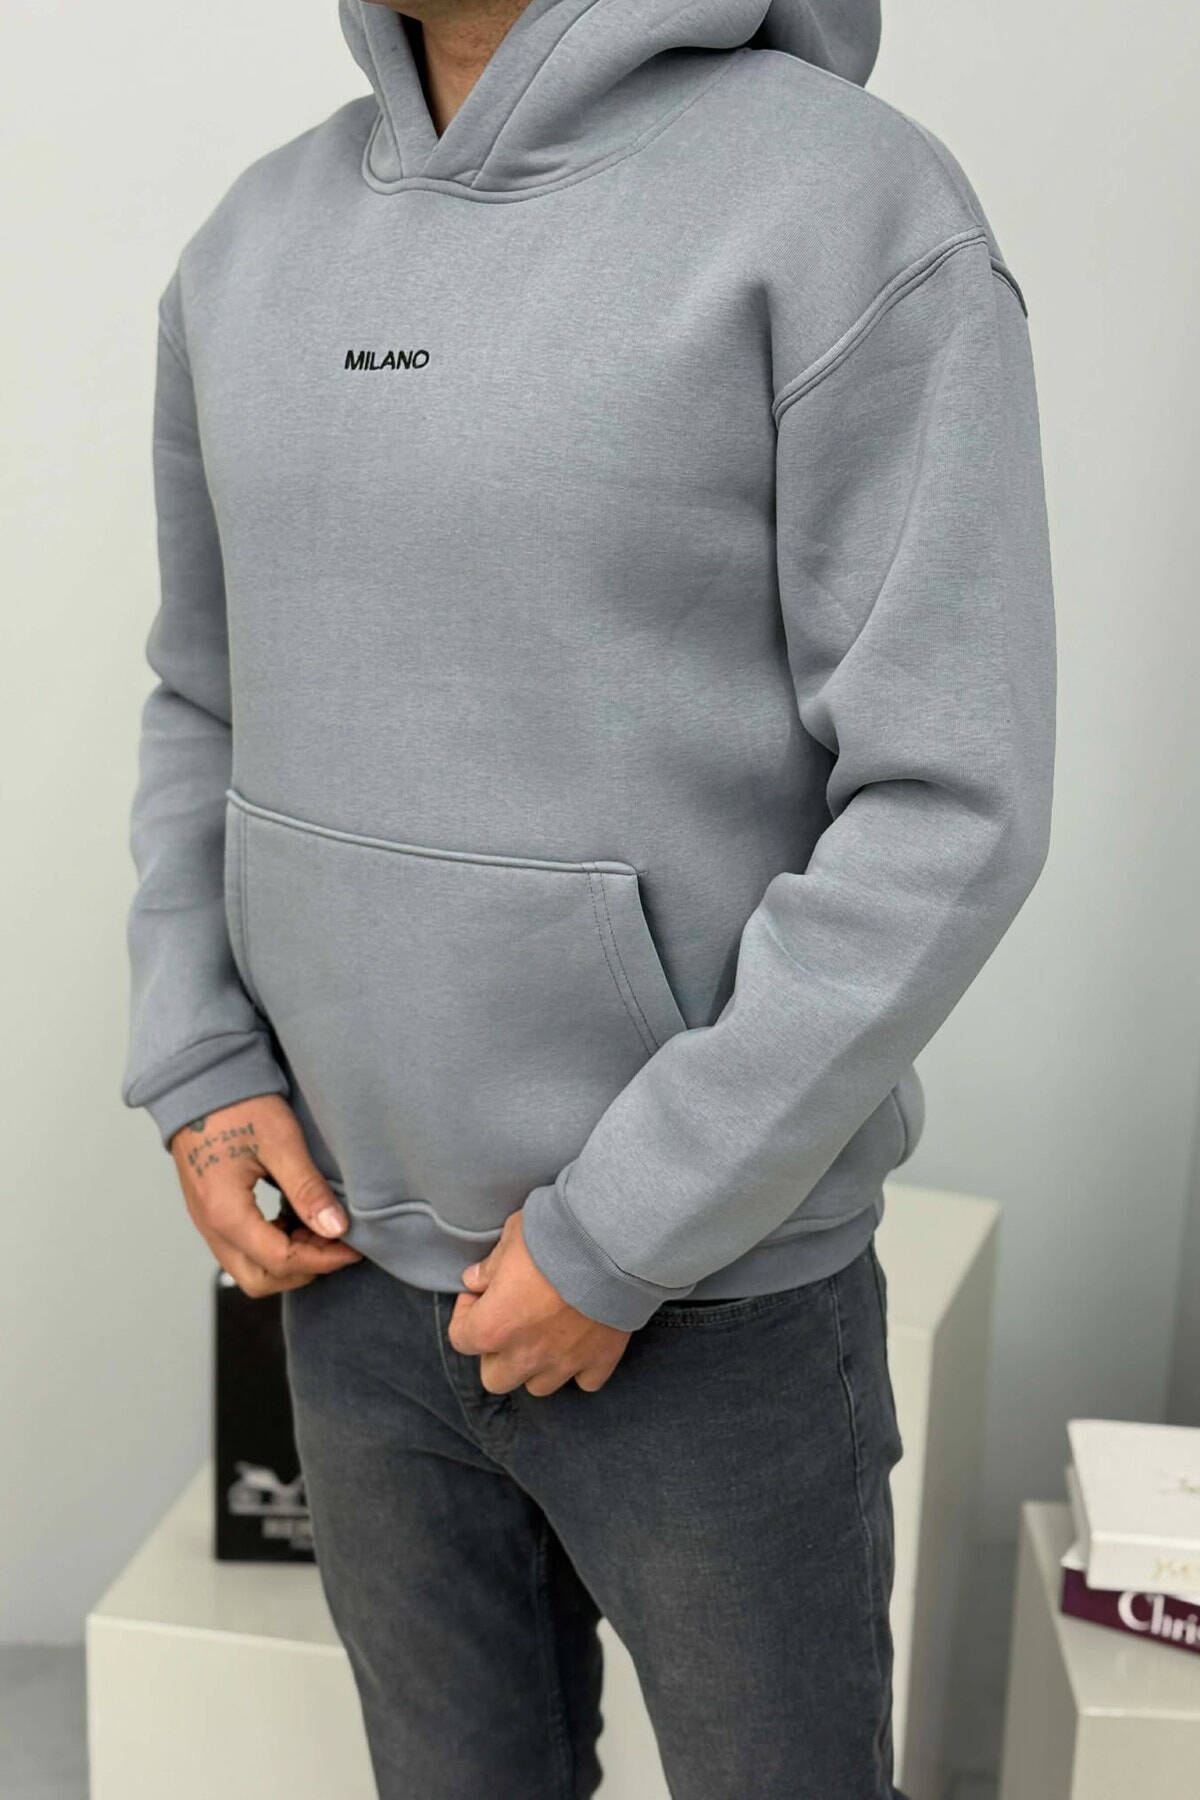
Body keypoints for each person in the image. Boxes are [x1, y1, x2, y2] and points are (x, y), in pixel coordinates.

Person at [120, 1, 1057, 1793]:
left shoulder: (847, 206)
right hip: (353, 1278)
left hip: (708, 1299)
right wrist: (203, 1066)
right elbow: (205, 702)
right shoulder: (250, 243)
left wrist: (624, 1228)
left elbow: (950, 801)